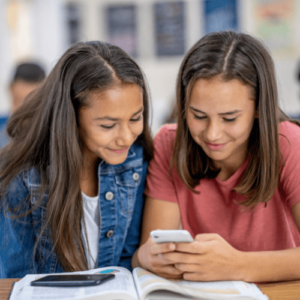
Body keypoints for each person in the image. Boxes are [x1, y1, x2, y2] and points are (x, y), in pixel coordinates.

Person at [133, 31, 300, 283]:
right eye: (198, 116)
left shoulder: (288, 143)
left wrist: (236, 265)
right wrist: (145, 257)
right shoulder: (169, 142)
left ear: (258, 109)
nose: (212, 134)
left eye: (229, 118)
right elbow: (152, 250)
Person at [0, 41, 153, 278]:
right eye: (108, 125)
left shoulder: (134, 159)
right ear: (70, 118)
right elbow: (18, 281)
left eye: (135, 118)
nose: (125, 138)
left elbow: (127, 262)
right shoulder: (23, 176)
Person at [0, 62, 46, 149]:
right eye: (19, 101)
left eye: (32, 103)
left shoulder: (53, 131)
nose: (23, 111)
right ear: (11, 88)